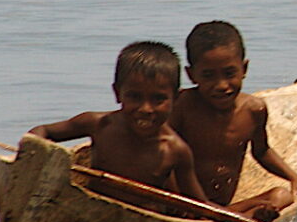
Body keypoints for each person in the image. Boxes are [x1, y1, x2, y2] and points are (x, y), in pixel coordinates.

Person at [27, 41, 213, 208]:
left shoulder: (175, 150)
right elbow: (43, 131)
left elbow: (197, 204)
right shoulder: (98, 124)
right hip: (93, 212)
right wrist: (32, 151)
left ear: (175, 99)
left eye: (158, 99)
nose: (146, 109)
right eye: (135, 97)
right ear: (117, 93)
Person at [170, 21, 297, 222]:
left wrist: (296, 178)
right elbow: (163, 156)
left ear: (244, 69)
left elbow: (262, 151)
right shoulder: (182, 106)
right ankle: (247, 217)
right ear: (191, 75)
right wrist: (178, 201)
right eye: (208, 76)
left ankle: (239, 216)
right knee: (205, 210)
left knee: (282, 195)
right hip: (185, 205)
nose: (221, 85)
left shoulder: (254, 110)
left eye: (229, 73)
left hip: (223, 207)